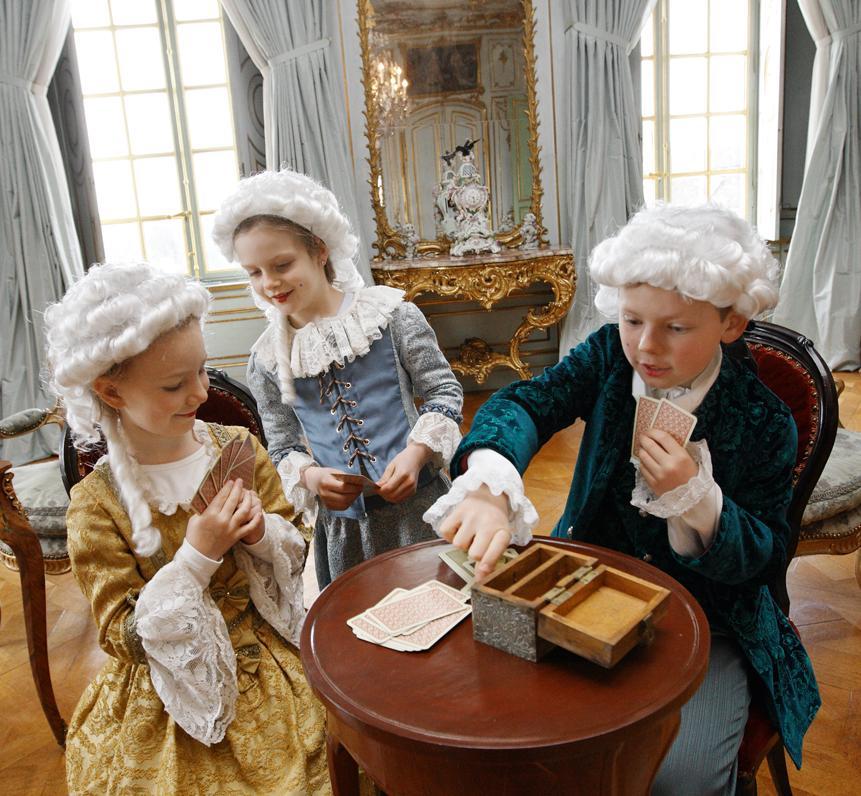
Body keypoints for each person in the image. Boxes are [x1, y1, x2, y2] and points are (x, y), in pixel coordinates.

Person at [424, 204, 820, 795]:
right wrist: (488, 481)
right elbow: (527, 403)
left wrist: (698, 502)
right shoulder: (609, 356)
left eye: (676, 328)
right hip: (582, 584)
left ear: (730, 324)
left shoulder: (763, 419)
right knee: (498, 729)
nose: (646, 346)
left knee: (679, 782)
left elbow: (766, 556)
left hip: (710, 623)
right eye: (633, 319)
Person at [47, 262, 330, 795]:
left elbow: (298, 554)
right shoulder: (95, 506)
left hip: (271, 654)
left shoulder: (238, 449)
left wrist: (260, 535)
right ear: (111, 393)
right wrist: (196, 558)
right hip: (176, 686)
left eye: (203, 370)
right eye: (176, 384)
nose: (200, 392)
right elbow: (121, 636)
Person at [211, 169, 463, 589]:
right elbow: (283, 445)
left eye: (282, 264)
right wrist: (311, 478)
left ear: (320, 251)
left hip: (420, 509)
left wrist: (418, 451)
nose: (269, 283)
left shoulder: (392, 317)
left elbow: (443, 391)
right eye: (254, 272)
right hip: (346, 531)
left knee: (439, 612)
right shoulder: (267, 360)